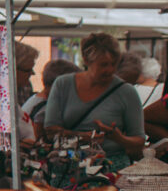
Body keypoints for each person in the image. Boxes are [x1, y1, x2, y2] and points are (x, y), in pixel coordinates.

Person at [42, 32, 144, 170]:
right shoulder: (63, 84)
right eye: (103, 64)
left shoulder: (126, 92)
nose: (110, 70)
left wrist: (119, 139)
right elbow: (50, 131)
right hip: (69, 166)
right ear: (86, 60)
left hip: (110, 167)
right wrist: (85, 137)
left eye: (114, 64)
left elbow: (139, 141)